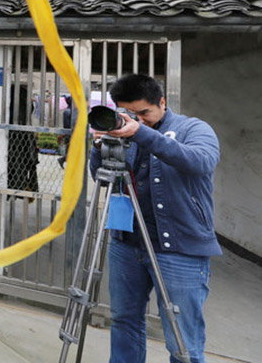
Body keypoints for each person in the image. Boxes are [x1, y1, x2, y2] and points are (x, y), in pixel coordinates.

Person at [89, 73, 220, 363]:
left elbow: (200, 161)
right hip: (127, 242)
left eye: (144, 113)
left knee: (182, 338)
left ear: (162, 102)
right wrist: (99, 146)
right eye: (129, 113)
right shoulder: (124, 131)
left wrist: (139, 132)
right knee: (124, 320)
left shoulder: (193, 128)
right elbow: (100, 176)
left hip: (180, 249)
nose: (137, 119)